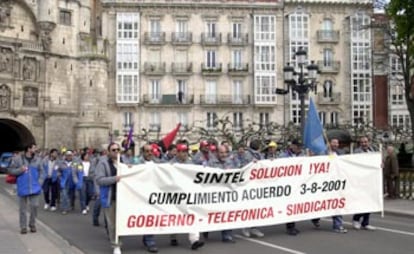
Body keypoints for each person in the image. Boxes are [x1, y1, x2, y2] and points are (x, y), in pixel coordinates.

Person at [169, 143, 205, 250]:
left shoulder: (190, 163)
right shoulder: (171, 163)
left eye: (186, 151)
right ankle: (173, 237)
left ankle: (194, 240)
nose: (185, 153)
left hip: (189, 194)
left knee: (192, 215)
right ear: (178, 152)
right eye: (183, 151)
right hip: (176, 194)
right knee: (175, 216)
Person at [8, 143, 44, 234]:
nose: (36, 149)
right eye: (34, 147)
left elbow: (43, 172)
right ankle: (23, 226)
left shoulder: (38, 159)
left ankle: (32, 224)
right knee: (22, 209)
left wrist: (39, 182)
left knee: (34, 206)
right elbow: (10, 170)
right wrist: (20, 170)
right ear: (29, 149)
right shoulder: (17, 159)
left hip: (35, 187)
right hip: (23, 186)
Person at [96, 143, 123, 254]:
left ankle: (119, 241)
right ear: (108, 151)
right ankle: (116, 245)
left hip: (123, 198)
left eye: (118, 149)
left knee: (120, 223)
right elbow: (99, 180)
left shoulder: (123, 162)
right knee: (112, 223)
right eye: (113, 150)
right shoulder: (103, 163)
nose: (116, 151)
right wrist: (114, 179)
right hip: (110, 197)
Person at [208, 145, 236, 243]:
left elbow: (239, 172)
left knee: (228, 213)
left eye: (225, 153)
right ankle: (206, 229)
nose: (224, 155)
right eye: (221, 153)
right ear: (216, 153)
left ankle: (227, 235)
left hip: (227, 194)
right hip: (215, 193)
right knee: (212, 214)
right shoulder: (211, 163)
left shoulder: (230, 162)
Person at [136, 144, 159, 253]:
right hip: (141, 194)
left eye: (151, 151)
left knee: (151, 218)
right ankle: (148, 239)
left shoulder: (157, 163)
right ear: (143, 152)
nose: (150, 153)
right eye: (147, 151)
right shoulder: (136, 163)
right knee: (144, 217)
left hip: (154, 195)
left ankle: (149, 240)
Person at [279, 139, 304, 236]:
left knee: (294, 206)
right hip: (287, 185)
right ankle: (290, 227)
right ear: (292, 146)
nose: (299, 148)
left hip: (297, 184)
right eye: (298, 146)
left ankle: (292, 225)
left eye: (300, 147)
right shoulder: (283, 156)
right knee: (289, 205)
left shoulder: (302, 155)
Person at [240, 139, 265, 238]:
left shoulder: (260, 154)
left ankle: (254, 227)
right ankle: (245, 227)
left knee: (256, 207)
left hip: (257, 183)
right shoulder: (247, 154)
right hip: (248, 183)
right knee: (248, 207)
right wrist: (252, 163)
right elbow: (243, 166)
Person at [352, 136, 376, 231]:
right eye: (362, 142)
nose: (364, 144)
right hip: (361, 182)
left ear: (368, 142)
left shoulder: (372, 150)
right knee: (362, 203)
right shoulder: (357, 152)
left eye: (366, 142)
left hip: (371, 181)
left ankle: (365, 223)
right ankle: (356, 219)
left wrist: (380, 164)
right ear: (360, 143)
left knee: (371, 203)